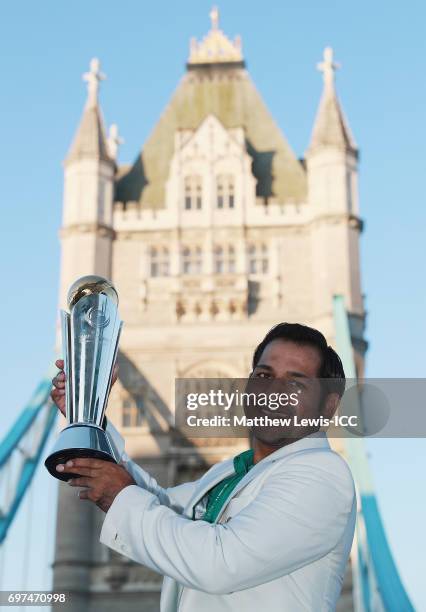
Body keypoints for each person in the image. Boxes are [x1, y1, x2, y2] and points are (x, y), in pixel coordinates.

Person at [51, 323, 356, 612]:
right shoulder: (232, 474)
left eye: (295, 382)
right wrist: (89, 419)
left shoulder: (323, 474)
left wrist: (118, 496)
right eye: (264, 376)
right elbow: (161, 506)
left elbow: (222, 564)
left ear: (328, 406)